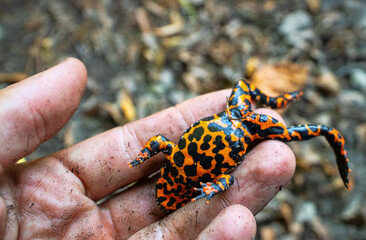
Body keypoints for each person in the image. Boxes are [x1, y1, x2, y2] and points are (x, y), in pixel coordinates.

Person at [0, 58, 296, 239]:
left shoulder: (187, 173)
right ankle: (281, 105)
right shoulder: (186, 174)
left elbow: (164, 145)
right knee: (277, 119)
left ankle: (277, 103)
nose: (166, 195)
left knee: (290, 131)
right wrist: (210, 188)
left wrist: (148, 155)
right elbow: (168, 147)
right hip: (225, 137)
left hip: (231, 130)